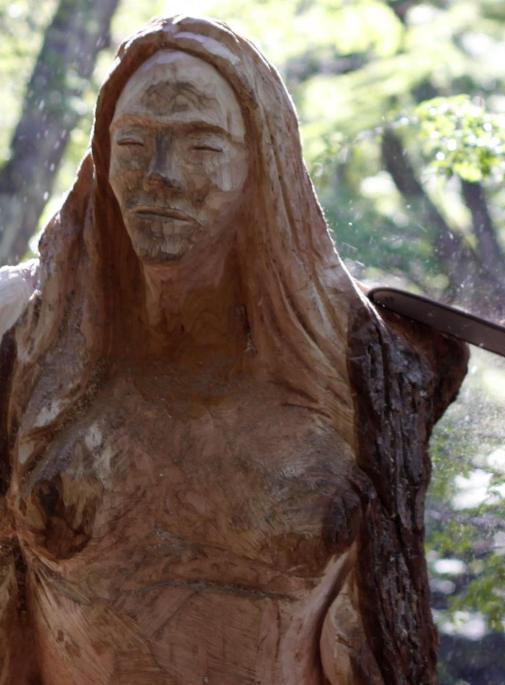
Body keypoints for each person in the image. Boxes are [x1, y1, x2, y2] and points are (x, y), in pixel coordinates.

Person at [0, 17, 465, 684]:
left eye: (201, 147)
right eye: (132, 145)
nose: (157, 176)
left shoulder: (362, 366)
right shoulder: (27, 340)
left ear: (260, 166)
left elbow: (381, 637)